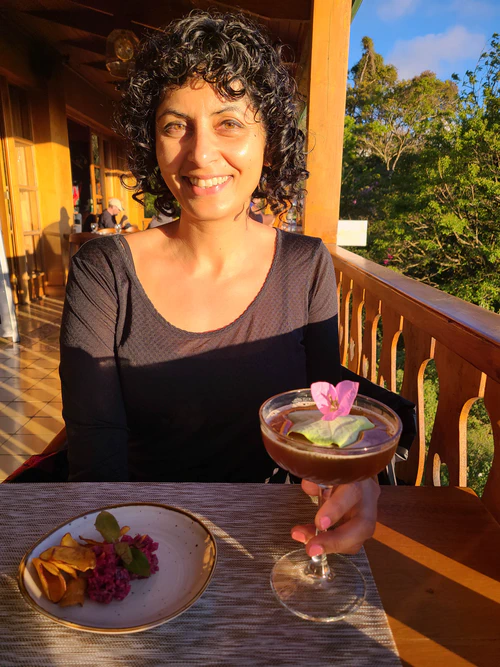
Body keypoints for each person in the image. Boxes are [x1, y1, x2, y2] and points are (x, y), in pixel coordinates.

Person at [60, 11, 380, 559]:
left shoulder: (305, 265)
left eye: (229, 122)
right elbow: (97, 462)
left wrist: (356, 483)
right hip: (143, 538)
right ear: (151, 144)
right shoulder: (103, 271)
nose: (200, 153)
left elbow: (329, 420)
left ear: (268, 140)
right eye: (174, 125)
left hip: (276, 529)